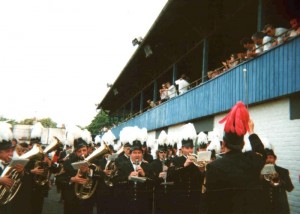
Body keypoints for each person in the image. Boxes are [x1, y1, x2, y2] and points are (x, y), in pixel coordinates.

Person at [206, 101, 266, 213]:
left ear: (223, 144)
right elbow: (261, 152)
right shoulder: (252, 160)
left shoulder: (214, 167)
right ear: (243, 144)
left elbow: (210, 202)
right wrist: (251, 132)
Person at [167, 123, 205, 213]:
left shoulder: (197, 160)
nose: (190, 150)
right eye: (187, 148)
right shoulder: (176, 160)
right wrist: (184, 165)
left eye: (191, 148)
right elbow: (170, 175)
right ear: (182, 148)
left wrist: (202, 170)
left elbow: (201, 179)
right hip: (179, 197)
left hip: (194, 198)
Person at [113, 138, 155, 214]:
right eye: (134, 153)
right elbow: (115, 181)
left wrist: (144, 174)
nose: (137, 155)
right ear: (130, 154)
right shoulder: (123, 165)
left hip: (143, 202)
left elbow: (154, 182)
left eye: (139, 153)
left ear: (142, 154)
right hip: (126, 202)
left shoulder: (147, 165)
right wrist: (128, 177)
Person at [0, 122, 24, 214]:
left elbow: (18, 183)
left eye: (11, 151)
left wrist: (21, 172)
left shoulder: (9, 164)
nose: (11, 154)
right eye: (7, 151)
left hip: (6, 206)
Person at [262, 148, 294, 214]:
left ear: (275, 159)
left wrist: (279, 180)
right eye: (266, 158)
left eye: (270, 157)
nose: (268, 160)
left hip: (280, 208)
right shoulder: (260, 172)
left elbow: (290, 188)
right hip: (266, 207)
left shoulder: (283, 171)